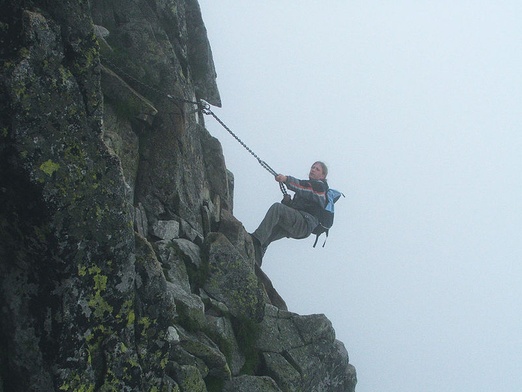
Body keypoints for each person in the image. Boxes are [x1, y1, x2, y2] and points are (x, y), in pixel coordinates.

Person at [250, 161, 328, 266]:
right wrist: (287, 202)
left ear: (323, 176)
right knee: (271, 231)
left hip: (305, 223)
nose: (313, 169)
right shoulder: (309, 189)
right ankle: (256, 258)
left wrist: (286, 179)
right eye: (312, 167)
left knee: (277, 208)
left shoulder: (320, 188)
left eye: (317, 169)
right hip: (302, 224)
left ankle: (254, 240)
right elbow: (298, 206)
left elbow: (301, 186)